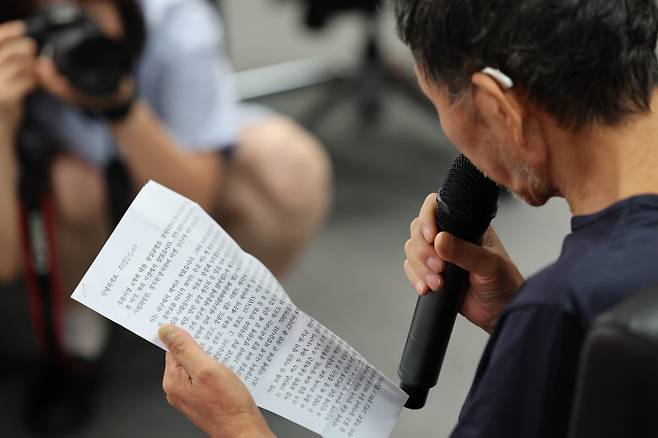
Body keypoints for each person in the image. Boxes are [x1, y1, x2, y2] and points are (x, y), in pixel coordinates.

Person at [155, 0, 658, 436]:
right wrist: (520, 321)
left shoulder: (562, 308)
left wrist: (237, 426)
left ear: (497, 108)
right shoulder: (571, 310)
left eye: (442, 109)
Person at [0, 0, 331, 433]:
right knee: (76, 188)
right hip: (58, 187)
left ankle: (233, 335)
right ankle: (78, 344)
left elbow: (196, 195)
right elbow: (3, 261)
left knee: (289, 171)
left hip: (151, 152)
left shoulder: (173, 17)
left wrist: (120, 105)